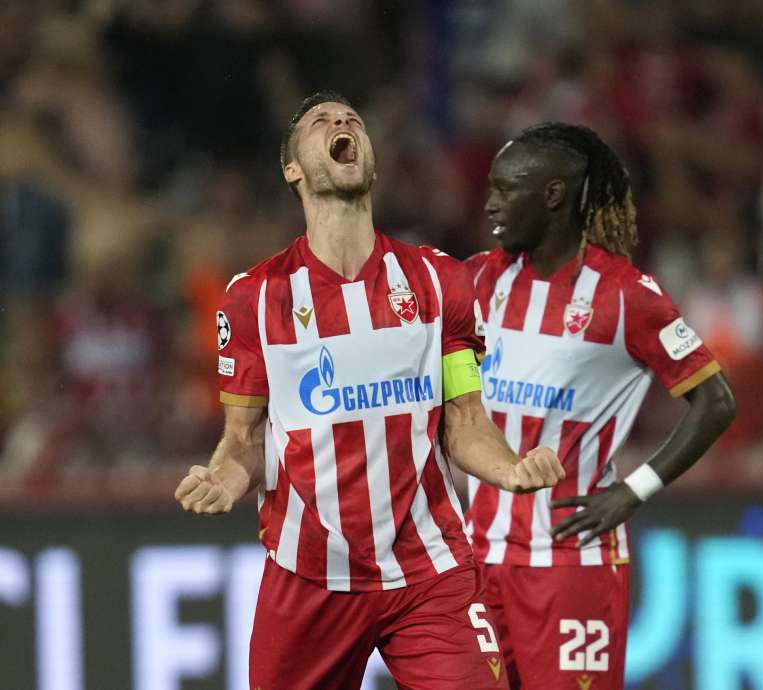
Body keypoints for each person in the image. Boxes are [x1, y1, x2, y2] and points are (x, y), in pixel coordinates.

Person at [173, 91, 566, 690]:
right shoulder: (255, 299)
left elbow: (463, 421)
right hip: (309, 578)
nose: (342, 123)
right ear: (293, 169)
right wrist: (222, 479)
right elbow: (244, 440)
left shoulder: (440, 282)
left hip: (430, 571)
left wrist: (510, 472)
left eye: (352, 118)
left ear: (371, 161)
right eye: (321, 122)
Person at [464, 122, 737, 690]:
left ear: (553, 196)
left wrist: (632, 491)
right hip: (476, 560)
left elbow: (715, 401)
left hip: (570, 562)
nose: (490, 203)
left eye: (505, 189)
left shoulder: (627, 296)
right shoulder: (478, 281)